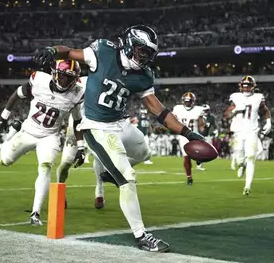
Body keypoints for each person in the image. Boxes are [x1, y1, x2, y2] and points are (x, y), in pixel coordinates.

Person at [33, 24, 206, 252]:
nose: (144, 57)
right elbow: (69, 51)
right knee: (128, 178)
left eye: (148, 53)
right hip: (97, 127)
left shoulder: (143, 75)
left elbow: (159, 110)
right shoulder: (103, 52)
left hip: (120, 122)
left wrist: (188, 132)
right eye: (141, 51)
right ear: (129, 45)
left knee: (144, 152)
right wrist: (52, 50)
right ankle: (141, 235)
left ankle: (107, 173)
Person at [0, 60, 85, 225]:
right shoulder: (39, 80)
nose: (64, 81)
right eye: (62, 76)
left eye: (69, 77)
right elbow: (17, 94)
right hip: (28, 131)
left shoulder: (77, 94)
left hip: (50, 136)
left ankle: (35, 213)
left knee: (45, 168)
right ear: (54, 73)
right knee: (5, 161)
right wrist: (3, 117)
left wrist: (81, 147)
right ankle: (10, 136)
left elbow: (77, 121)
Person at [224, 76, 271, 196]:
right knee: (240, 158)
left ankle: (247, 186)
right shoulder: (235, 97)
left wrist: (269, 122)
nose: (245, 89)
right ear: (240, 87)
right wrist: (235, 111)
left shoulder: (258, 97)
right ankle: (241, 165)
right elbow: (227, 115)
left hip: (252, 132)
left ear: (253, 87)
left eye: (248, 86)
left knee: (251, 157)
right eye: (244, 87)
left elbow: (265, 111)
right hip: (238, 132)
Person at [172, 92, 206, 184]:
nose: (187, 103)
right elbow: (172, 120)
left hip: (194, 134)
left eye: (189, 101)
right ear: (183, 101)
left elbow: (201, 125)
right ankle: (189, 177)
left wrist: (203, 124)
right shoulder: (177, 109)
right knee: (186, 157)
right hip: (183, 136)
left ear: (193, 101)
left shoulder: (198, 109)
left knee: (197, 154)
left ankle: (198, 159)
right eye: (186, 101)